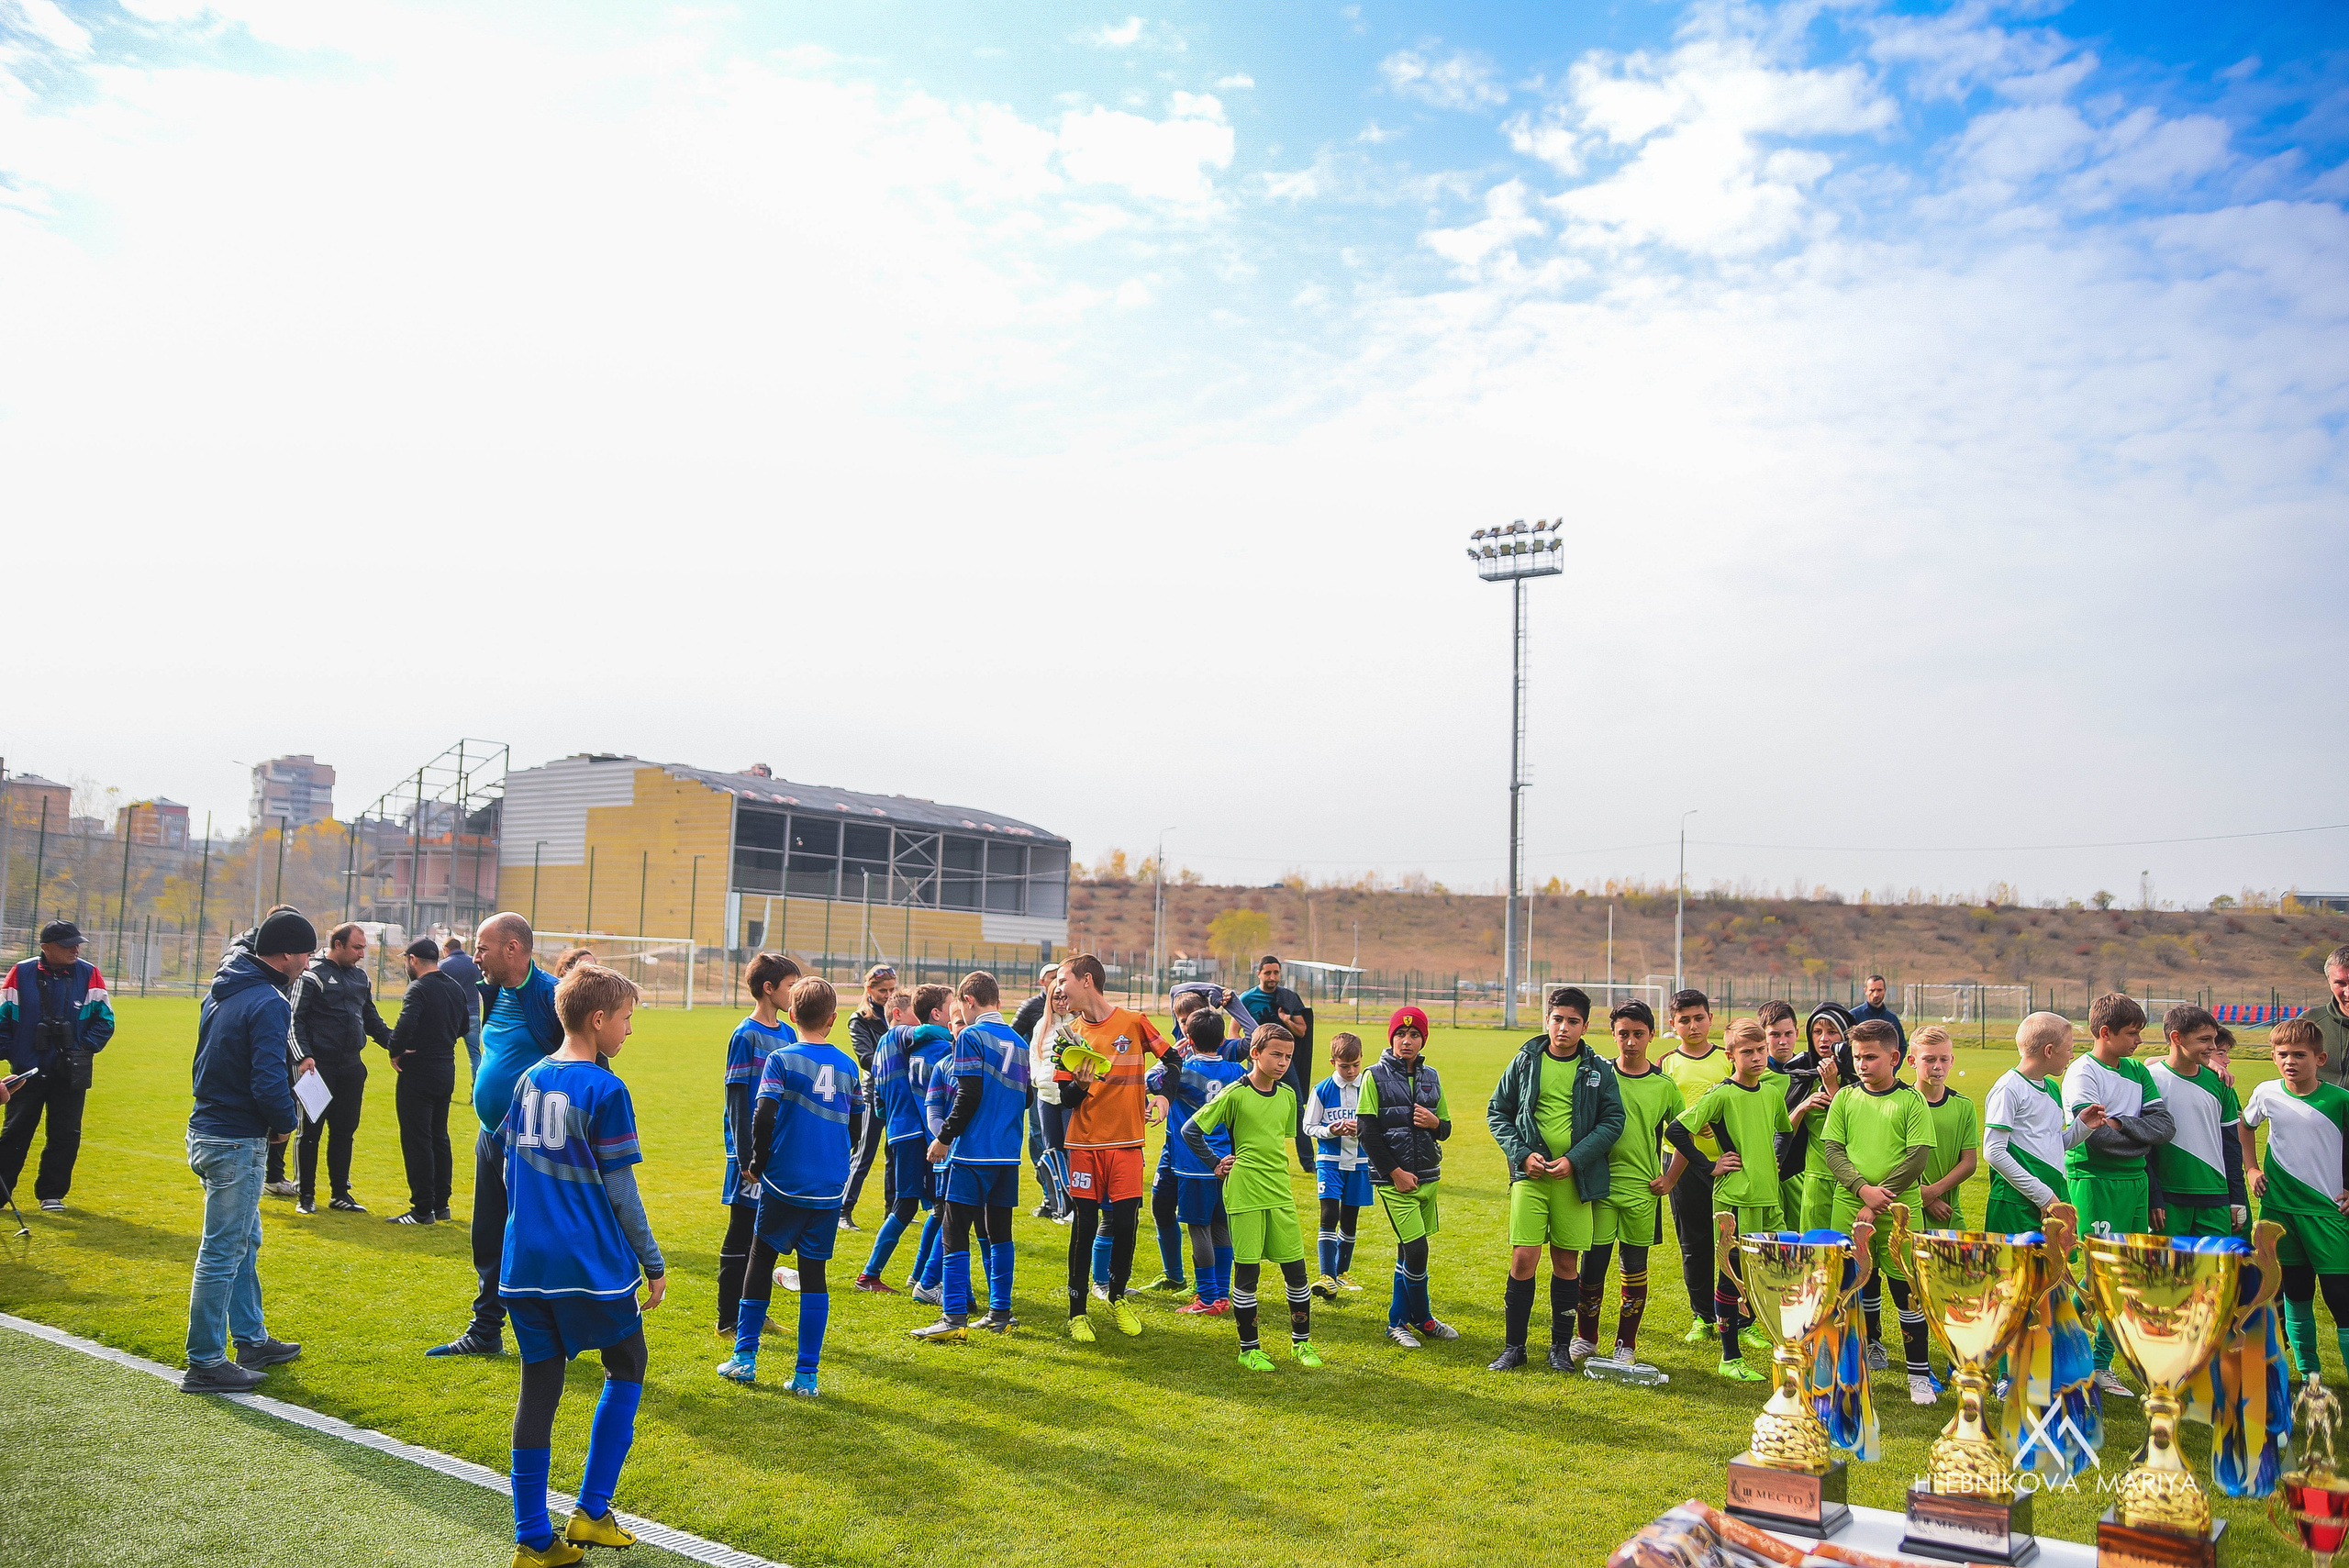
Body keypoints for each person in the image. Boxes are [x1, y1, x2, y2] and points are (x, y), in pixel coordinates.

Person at [499, 963, 663, 1567]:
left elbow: (503, 1158)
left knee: (539, 1382)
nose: (627, 1030)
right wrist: (652, 1261)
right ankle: (592, 1511)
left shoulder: (528, 1078)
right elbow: (621, 1194)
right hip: (587, 1266)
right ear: (598, 1019)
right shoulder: (605, 1088)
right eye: (625, 1019)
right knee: (629, 1361)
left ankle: (534, 1537)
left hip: (524, 1263)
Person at [182, 908, 311, 1393]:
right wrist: (283, 1124)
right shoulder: (270, 1000)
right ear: (284, 955)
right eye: (303, 953)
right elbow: (265, 1077)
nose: (306, 963)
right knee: (223, 1251)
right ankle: (206, 1360)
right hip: (236, 1138)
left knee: (244, 1242)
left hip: (209, 1129)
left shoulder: (223, 991)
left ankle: (251, 1338)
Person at [428, 913, 562, 1359]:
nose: (475, 956)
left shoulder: (550, 996)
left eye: (483, 948)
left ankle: (555, 1333)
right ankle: (485, 1331)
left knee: (535, 1237)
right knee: (487, 1235)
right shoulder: (489, 991)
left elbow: (584, 1061)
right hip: (491, 1136)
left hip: (531, 1142)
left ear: (512, 949)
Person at [719, 977, 860, 1391]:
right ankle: (806, 1375)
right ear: (833, 1019)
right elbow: (856, 1124)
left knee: (760, 1259)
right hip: (829, 1186)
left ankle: (744, 1357)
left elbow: (763, 1115)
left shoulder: (781, 1060)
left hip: (785, 1182)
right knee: (813, 1275)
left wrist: (757, 1162)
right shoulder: (849, 1066)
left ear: (792, 1015)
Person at [1485, 985, 1625, 1373]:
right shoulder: (1526, 1061)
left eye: (1572, 1021)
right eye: (1557, 1019)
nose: (1563, 1027)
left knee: (1566, 1261)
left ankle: (1560, 1348)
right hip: (1530, 1176)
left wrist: (1575, 1160)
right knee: (1523, 1257)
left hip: (1574, 1180)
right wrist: (1522, 1154)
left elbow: (1613, 1121)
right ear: (1546, 1020)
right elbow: (1498, 1111)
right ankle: (1514, 1348)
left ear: (1585, 1026)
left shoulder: (1598, 1070)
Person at [1682, 1018, 1825, 1382]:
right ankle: (1729, 1358)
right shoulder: (1721, 1094)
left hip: (1768, 1198)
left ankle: (1789, 1347)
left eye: (1761, 1050)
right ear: (1731, 1056)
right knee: (1731, 1276)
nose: (1758, 1057)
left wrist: (1775, 1157)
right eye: (1748, 1052)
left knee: (1781, 1271)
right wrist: (1710, 1164)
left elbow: (1784, 1129)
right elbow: (1677, 1129)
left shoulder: (1773, 1093)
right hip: (1734, 1200)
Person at [1182, 1023, 1323, 1370]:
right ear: (1255, 1053)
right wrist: (1216, 1163)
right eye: (1276, 1054)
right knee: (1247, 1274)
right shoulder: (1234, 1093)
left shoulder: (1288, 1097)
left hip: (1279, 1192)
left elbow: (1278, 1140)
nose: (1283, 1062)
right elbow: (1191, 1130)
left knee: (1297, 1273)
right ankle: (1249, 1349)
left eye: (1288, 1057)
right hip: (1244, 1192)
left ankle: (1301, 1345)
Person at [1052, 952, 1176, 1341]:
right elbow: (1066, 1099)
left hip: (1126, 1143)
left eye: (1063, 980)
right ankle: (1077, 1311)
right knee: (1085, 1225)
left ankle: (1118, 1296)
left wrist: (1163, 1097)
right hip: (1085, 1144)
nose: (1058, 988)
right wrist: (1082, 1084)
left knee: (1125, 1223)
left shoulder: (1134, 1022)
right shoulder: (1067, 1036)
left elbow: (1173, 1061)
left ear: (1087, 980)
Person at [1575, 1000, 1705, 1367]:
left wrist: (1670, 1177)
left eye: (1638, 1034)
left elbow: (1684, 1134)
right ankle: (1586, 1338)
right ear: (1613, 1036)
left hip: (1642, 1194)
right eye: (1623, 1034)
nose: (1630, 1042)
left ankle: (1625, 1344)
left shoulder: (1663, 1086)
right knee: (1593, 1269)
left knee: (1634, 1270)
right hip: (1600, 1191)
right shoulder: (1598, 1077)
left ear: (1651, 1035)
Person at [1820, 1018, 1938, 1406]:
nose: (1861, 1065)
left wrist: (1879, 1198)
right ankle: (1850, 1363)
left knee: (1906, 1291)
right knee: (1846, 1288)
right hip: (1849, 1207)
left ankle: (1919, 1374)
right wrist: (1862, 1191)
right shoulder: (1845, 1098)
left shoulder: (1912, 1100)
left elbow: (1917, 1157)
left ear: (1895, 1058)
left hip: (1901, 1212)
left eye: (1870, 1057)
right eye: (1856, 1057)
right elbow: (1833, 1151)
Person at [2063, 992, 2174, 1396]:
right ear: (2105, 1033)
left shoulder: (2136, 1071)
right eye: (2132, 1033)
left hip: (2136, 1182)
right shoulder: (2082, 1073)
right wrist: (2137, 1135)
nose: (2138, 1041)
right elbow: (2094, 1140)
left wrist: (2123, 1127)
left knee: (2125, 1276)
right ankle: (2063, 1352)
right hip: (2094, 1181)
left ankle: (2100, 1364)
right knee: (2095, 1277)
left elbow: (2164, 1127)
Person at [911, 972, 1028, 1344]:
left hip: (973, 1152)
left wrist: (944, 1138)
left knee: (954, 1231)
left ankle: (953, 1318)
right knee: (999, 1233)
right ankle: (1001, 1313)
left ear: (968, 1000)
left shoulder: (972, 1037)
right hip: (1008, 1156)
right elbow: (1025, 1098)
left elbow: (968, 1095)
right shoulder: (1018, 1041)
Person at [2242, 1018, 2349, 1386]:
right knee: (2295, 1294)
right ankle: (2310, 1375)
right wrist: (2252, 1169)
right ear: (2273, 1056)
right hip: (2279, 1212)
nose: (2291, 1061)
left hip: (2326, 1213)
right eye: (2283, 1054)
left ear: (2320, 1059)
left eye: (2299, 1055)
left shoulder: (2339, 1099)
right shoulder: (2266, 1092)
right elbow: (2245, 1125)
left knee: (2341, 1298)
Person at [0, 919, 116, 1212]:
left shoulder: (90, 974)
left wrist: (81, 1049)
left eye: (77, 943)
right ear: (46, 947)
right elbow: (2, 1020)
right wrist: (14, 1053)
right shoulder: (20, 973)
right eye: (67, 944)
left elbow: (105, 1021)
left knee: (65, 1135)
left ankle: (51, 1194)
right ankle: (1, 1196)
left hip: (69, 1073)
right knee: (14, 1135)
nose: (75, 949)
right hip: (26, 1074)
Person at [1358, 1005, 1456, 1349]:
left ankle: (1408, 1321)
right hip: (1395, 1182)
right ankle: (1415, 1317)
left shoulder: (1433, 1077)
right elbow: (1367, 1133)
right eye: (1401, 1034)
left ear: (1423, 1039)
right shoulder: (1374, 1075)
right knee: (1417, 1250)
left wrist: (1434, 1123)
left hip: (1428, 1178)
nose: (1407, 1040)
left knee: (1406, 1251)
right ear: (1391, 1037)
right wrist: (1395, 1172)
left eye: (1414, 1035)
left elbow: (1444, 1128)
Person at [717, 954, 800, 1333]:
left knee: (762, 1236)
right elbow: (737, 1099)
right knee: (741, 1233)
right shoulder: (745, 1035)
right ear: (768, 989)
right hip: (749, 1156)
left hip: (775, 1152)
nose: (795, 993)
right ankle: (728, 1319)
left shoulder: (787, 1035)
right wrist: (746, 1154)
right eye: (789, 986)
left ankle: (754, 1314)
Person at [290, 922, 393, 1216]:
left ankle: (339, 1194)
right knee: (310, 1132)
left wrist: (396, 1046)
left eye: (363, 948)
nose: (362, 954)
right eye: (357, 948)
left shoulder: (360, 978)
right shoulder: (311, 976)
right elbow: (292, 1021)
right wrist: (303, 1056)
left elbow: (371, 1019)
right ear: (338, 945)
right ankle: (306, 1194)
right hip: (317, 1068)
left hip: (351, 1067)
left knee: (345, 1131)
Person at [1152, 1007, 1249, 1318]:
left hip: (1193, 1164)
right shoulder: (1236, 1073)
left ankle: (1206, 1297)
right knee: (1221, 1227)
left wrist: (1166, 1059)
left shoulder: (1182, 1070)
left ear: (1188, 1039)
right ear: (1222, 1039)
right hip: (1226, 1162)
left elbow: (1146, 1082)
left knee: (1198, 1229)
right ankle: (1222, 1294)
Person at [858, 984, 952, 1294]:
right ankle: (870, 1275)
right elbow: (928, 1033)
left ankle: (919, 1275)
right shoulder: (898, 1035)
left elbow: (880, 1106)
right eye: (916, 1017)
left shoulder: (883, 1053)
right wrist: (956, 1036)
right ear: (897, 1015)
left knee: (925, 1205)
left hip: (898, 1132)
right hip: (913, 1133)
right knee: (913, 1206)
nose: (919, 1025)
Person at [1982, 1012, 2100, 1234]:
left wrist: (2082, 1128)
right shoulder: (2009, 1088)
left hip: (2053, 1198)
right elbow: (1993, 1152)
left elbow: (2052, 1144)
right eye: (2068, 1049)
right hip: (2017, 1206)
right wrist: (2043, 1196)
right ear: (2049, 1051)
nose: (2072, 1055)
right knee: (2020, 1269)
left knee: (2057, 1269)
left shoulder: (2053, 1088)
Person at [1659, 988, 1731, 1345]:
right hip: (1680, 1162)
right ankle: (1702, 1315)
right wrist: (1687, 1125)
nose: (1692, 1025)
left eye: (1698, 1018)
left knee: (1730, 1240)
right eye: (1684, 1020)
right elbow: (1661, 1112)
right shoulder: (1666, 1064)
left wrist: (1716, 1124)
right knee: (1694, 1241)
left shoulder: (1728, 1059)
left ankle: (1735, 1316)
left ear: (1710, 1019)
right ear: (1673, 1024)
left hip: (1727, 1162)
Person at [384, 937, 471, 1226]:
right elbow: (464, 1026)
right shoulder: (454, 987)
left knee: (416, 1139)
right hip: (446, 1069)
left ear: (413, 960)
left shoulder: (418, 988)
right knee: (439, 1137)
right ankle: (441, 1204)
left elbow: (405, 1025)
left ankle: (421, 1209)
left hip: (419, 1072)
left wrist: (395, 1050)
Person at [2149, 1005, 2247, 1240]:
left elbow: (2231, 1145)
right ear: (2176, 1038)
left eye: (2214, 1039)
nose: (2213, 1047)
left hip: (2215, 1197)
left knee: (2212, 1275)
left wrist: (2237, 1199)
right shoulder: (2150, 1080)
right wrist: (2154, 1196)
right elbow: (2144, 1147)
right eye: (2204, 1040)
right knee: (2166, 1274)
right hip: (2169, 1199)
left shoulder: (2219, 1083)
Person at [1304, 1032, 1371, 1299]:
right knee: (1330, 1214)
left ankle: (1342, 1273)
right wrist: (1331, 1130)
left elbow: (1380, 1124)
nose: (1351, 1071)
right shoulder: (1321, 1090)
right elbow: (1308, 1126)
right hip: (1329, 1162)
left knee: (1351, 1219)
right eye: (1345, 1066)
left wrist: (1362, 1128)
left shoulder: (1369, 1088)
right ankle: (1326, 1275)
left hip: (1360, 1164)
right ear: (1333, 1062)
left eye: (1355, 1065)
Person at [1239, 955, 1314, 1171]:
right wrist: (1245, 1053)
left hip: (1284, 1061)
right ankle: (1250, 1157)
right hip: (1256, 1062)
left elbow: (1302, 1031)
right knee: (1253, 1110)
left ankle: (1309, 1163)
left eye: (1276, 973)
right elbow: (1234, 1030)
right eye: (1268, 973)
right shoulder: (1247, 999)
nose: (1273, 977)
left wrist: (1286, 1020)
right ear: (1259, 974)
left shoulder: (1289, 998)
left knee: (1298, 1109)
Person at [840, 964, 896, 1232]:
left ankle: (893, 1211)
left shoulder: (896, 1015)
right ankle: (843, 1211)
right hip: (873, 1093)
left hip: (897, 1092)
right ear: (869, 990)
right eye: (882, 990)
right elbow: (866, 1058)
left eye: (892, 990)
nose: (888, 994)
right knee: (863, 1155)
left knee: (895, 1153)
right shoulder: (860, 1019)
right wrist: (897, 1061)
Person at [1913, 1027, 1978, 1230]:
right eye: (1929, 1059)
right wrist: (1922, 1196)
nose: (1938, 1066)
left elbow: (1969, 1162)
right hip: (1908, 1209)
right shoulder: (1901, 1102)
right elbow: (1890, 1160)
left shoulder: (1963, 1105)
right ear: (1911, 1061)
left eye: (1944, 1059)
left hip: (1949, 1212)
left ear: (1952, 1060)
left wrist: (1932, 1192)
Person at [1025, 963, 1072, 1221]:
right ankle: (1058, 1204)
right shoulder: (1042, 1024)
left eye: (1065, 997)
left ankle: (1076, 1203)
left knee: (1072, 1152)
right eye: (1056, 997)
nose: (1061, 1002)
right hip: (1045, 1097)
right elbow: (1034, 1055)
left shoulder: (1079, 1023)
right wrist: (1037, 1079)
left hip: (1070, 1098)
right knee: (1052, 1151)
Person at [440, 937, 485, 1079]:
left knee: (445, 1054)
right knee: (474, 1054)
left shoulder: (443, 966)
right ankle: (475, 1093)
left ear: (446, 950)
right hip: (472, 1013)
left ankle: (445, 1089)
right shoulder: (474, 963)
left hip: (450, 1016)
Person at [2310, 945, 2349, 1089]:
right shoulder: (2310, 1023)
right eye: (2340, 983)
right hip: (2318, 1110)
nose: (2348, 992)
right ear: (2329, 983)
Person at [1849, 973, 1907, 1050]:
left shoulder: (1892, 1018)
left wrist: (1894, 1061)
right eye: (1872, 990)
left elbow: (1902, 1046)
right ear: (1865, 990)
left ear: (1885, 990)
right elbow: (1847, 1045)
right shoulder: (1853, 1016)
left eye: (1879, 990)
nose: (1876, 994)